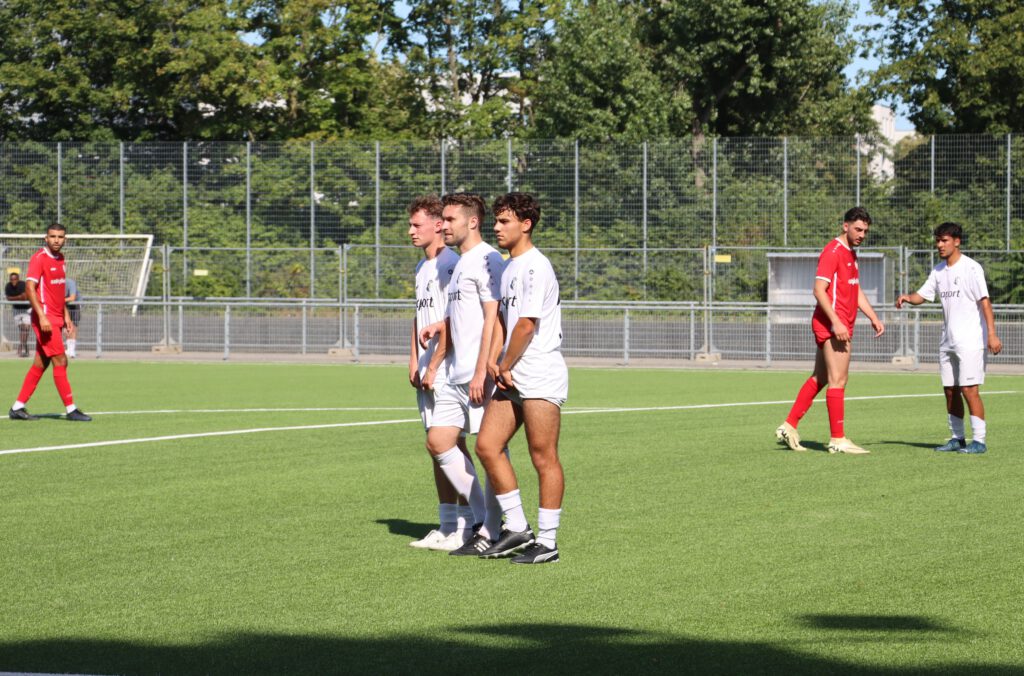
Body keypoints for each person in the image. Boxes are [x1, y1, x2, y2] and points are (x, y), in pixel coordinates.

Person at [474, 192, 568, 564]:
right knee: (487, 445)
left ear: (525, 225)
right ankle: (516, 527)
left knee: (543, 456)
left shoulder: (535, 266)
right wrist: (495, 360)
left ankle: (548, 542)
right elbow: (503, 319)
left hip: (539, 370)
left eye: (504, 221)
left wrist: (505, 363)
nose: (496, 228)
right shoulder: (510, 265)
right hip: (512, 370)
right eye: (496, 221)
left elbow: (527, 325)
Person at [419, 193, 507, 557]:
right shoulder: (462, 263)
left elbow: (494, 318)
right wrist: (440, 325)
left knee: (490, 451)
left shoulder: (488, 258)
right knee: (439, 441)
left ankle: (494, 527)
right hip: (456, 372)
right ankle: (482, 520)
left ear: (472, 221)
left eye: (451, 219)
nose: (445, 226)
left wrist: (482, 369)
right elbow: (461, 313)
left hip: (476, 373)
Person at [775, 206, 884, 454]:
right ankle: (837, 439)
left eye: (865, 231)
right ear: (845, 226)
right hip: (834, 325)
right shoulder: (833, 251)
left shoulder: (851, 253)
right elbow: (818, 290)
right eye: (858, 229)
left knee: (821, 378)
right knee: (839, 380)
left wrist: (873, 316)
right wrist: (836, 321)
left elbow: (855, 289)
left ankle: (788, 426)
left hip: (838, 323)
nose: (862, 235)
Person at [895, 222, 1002, 454]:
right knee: (950, 390)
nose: (940, 245)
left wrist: (992, 334)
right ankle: (957, 438)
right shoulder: (938, 270)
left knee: (969, 389)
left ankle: (979, 441)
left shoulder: (971, 268)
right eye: (937, 240)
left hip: (970, 340)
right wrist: (907, 297)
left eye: (944, 240)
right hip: (947, 341)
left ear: (957, 241)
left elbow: (985, 302)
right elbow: (922, 295)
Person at [406, 196, 474, 551]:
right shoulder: (423, 267)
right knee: (438, 448)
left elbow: (453, 321)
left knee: (450, 443)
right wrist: (413, 360)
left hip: (446, 369)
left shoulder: (451, 264)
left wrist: (434, 365)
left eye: (417, 224)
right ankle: (448, 525)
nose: (410, 231)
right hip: (427, 369)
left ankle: (471, 522)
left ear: (437, 225)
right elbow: (419, 316)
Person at [9, 223, 92, 422]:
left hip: (56, 317)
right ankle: (71, 409)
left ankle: (17, 407)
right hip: (45, 318)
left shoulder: (61, 259)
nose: (56, 240)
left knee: (41, 362)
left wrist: (66, 316)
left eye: (60, 237)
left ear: (65, 239)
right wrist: (42, 316)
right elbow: (29, 288)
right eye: (52, 236)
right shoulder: (39, 258)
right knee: (61, 360)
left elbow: (58, 292)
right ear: (45, 238)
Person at [5, 271, 32, 357]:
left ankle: (21, 347)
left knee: (26, 328)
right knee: (22, 329)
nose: (13, 281)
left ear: (18, 279)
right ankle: (25, 347)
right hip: (16, 309)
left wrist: (14, 298)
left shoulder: (23, 284)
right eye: (11, 279)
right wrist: (19, 297)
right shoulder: (8, 286)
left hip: (26, 309)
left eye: (15, 279)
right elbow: (8, 298)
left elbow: (25, 297)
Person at [64, 277, 80, 358]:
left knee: (73, 327)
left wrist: (61, 300)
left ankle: (72, 350)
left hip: (75, 305)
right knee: (66, 327)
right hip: (65, 305)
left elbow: (72, 298)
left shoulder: (70, 283)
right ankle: (68, 349)